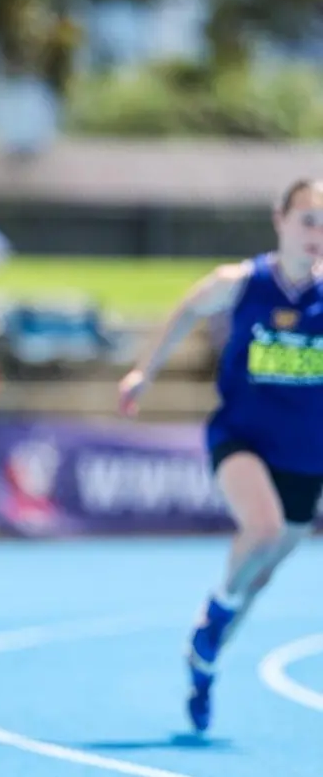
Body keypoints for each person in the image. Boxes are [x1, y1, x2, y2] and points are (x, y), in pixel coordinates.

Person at [118, 177, 323, 734]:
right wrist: (145, 371)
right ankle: (215, 610)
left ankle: (203, 660)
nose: (317, 234)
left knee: (259, 578)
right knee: (262, 527)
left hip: (307, 456)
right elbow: (187, 310)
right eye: (308, 219)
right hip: (242, 439)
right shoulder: (243, 282)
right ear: (280, 219)